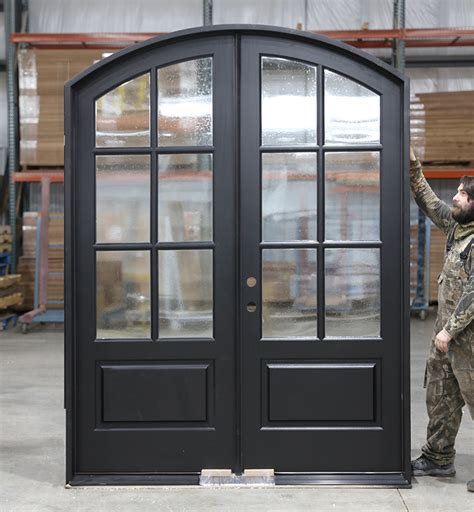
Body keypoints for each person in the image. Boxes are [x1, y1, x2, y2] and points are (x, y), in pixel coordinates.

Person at [409, 147, 474, 492]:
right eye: (459, 191)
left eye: (463, 194)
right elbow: (427, 198)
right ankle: (438, 457)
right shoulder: (456, 226)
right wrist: (412, 164)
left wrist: (449, 331)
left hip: (467, 343)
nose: (456, 197)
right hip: (444, 339)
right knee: (440, 397)